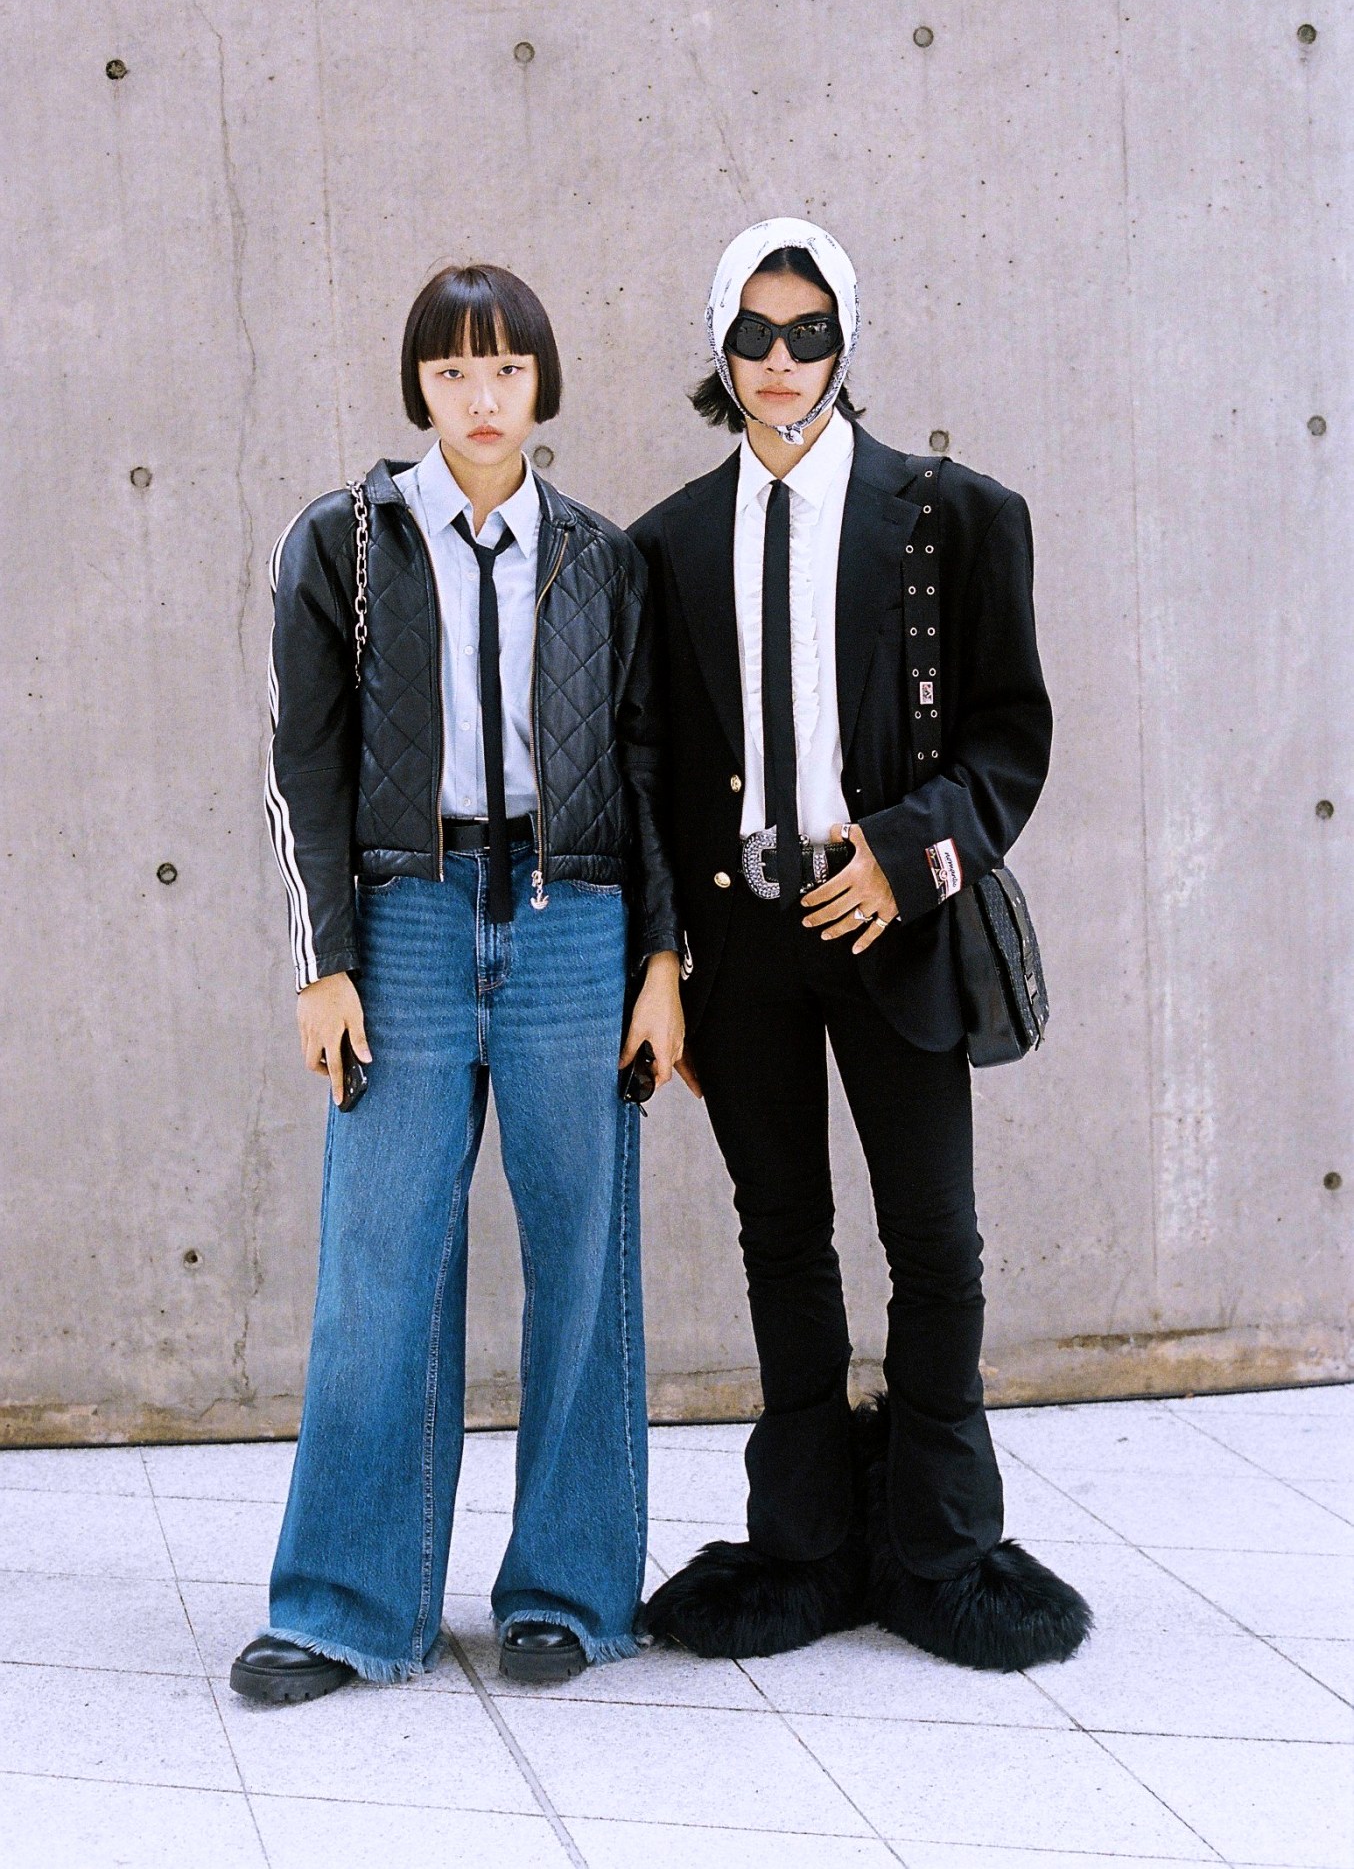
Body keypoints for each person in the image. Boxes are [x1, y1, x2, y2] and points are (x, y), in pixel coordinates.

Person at [632, 218, 1091, 1672]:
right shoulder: (663, 544)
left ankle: (942, 1549)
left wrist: (905, 859)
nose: (782, 362)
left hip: (890, 927)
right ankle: (809, 1547)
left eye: (809, 331)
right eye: (754, 334)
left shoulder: (951, 515)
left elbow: (1010, 739)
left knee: (934, 1240)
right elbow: (647, 771)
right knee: (781, 1240)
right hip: (742, 944)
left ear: (848, 340)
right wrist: (672, 965)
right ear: (719, 346)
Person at [231, 262, 682, 1703]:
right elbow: (302, 767)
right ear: (416, 388)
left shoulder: (602, 558)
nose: (479, 400)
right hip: (408, 924)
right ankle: (346, 1607)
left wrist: (664, 962)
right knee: (380, 1272)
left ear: (542, 385)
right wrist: (325, 966)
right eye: (449, 375)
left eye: (504, 372)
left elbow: (648, 769)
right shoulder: (344, 544)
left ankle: (569, 1592)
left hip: (573, 926)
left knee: (583, 1270)